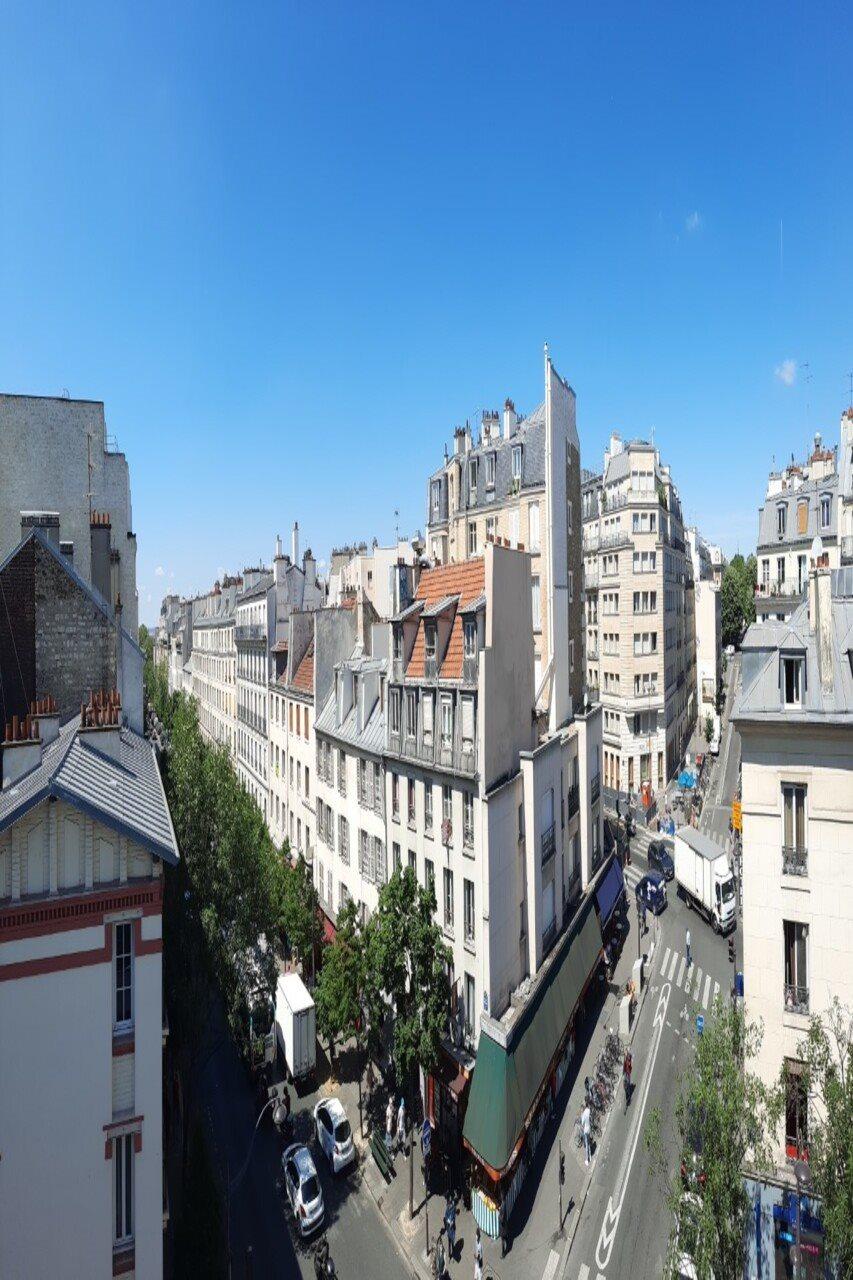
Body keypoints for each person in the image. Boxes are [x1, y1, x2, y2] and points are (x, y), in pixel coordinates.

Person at [581, 1102, 592, 1166]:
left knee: (586, 1145)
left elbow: (582, 1123)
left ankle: (587, 1160)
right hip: (589, 1129)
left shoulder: (583, 1115)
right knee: (589, 1142)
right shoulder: (588, 1110)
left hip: (585, 1131)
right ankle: (590, 1156)